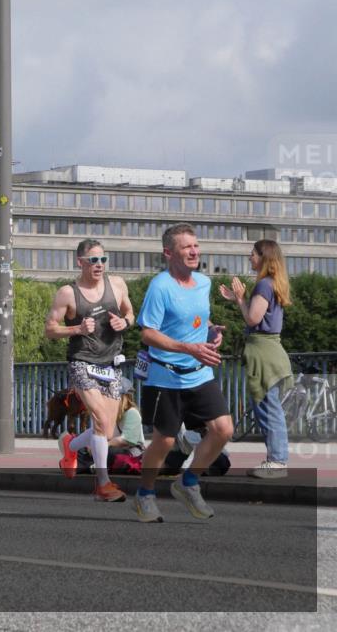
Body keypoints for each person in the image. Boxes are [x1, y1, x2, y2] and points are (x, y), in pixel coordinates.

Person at [133, 223, 230, 523]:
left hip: (199, 373)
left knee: (223, 429)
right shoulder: (160, 286)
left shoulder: (203, 283)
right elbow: (148, 334)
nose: (194, 251)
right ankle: (145, 494)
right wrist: (189, 348)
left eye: (196, 245)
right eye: (186, 246)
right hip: (166, 375)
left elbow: (196, 317)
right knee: (164, 441)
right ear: (168, 253)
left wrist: (211, 330)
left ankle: (188, 483)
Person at [46, 238, 135, 502]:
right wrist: (77, 329)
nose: (99, 265)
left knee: (108, 431)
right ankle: (103, 484)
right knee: (99, 419)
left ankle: (70, 445)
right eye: (93, 260)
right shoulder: (68, 293)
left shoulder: (117, 285)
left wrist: (125, 322)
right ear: (80, 262)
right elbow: (50, 328)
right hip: (82, 361)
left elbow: (131, 312)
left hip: (111, 362)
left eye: (103, 260)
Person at [219, 239, 293, 479]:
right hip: (270, 351)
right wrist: (238, 299)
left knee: (268, 408)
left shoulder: (263, 285)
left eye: (252, 254)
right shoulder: (273, 284)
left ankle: (278, 461)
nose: (249, 257)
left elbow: (252, 319)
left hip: (263, 352)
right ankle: (276, 459)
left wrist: (241, 298)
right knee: (268, 406)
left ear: (263, 257)